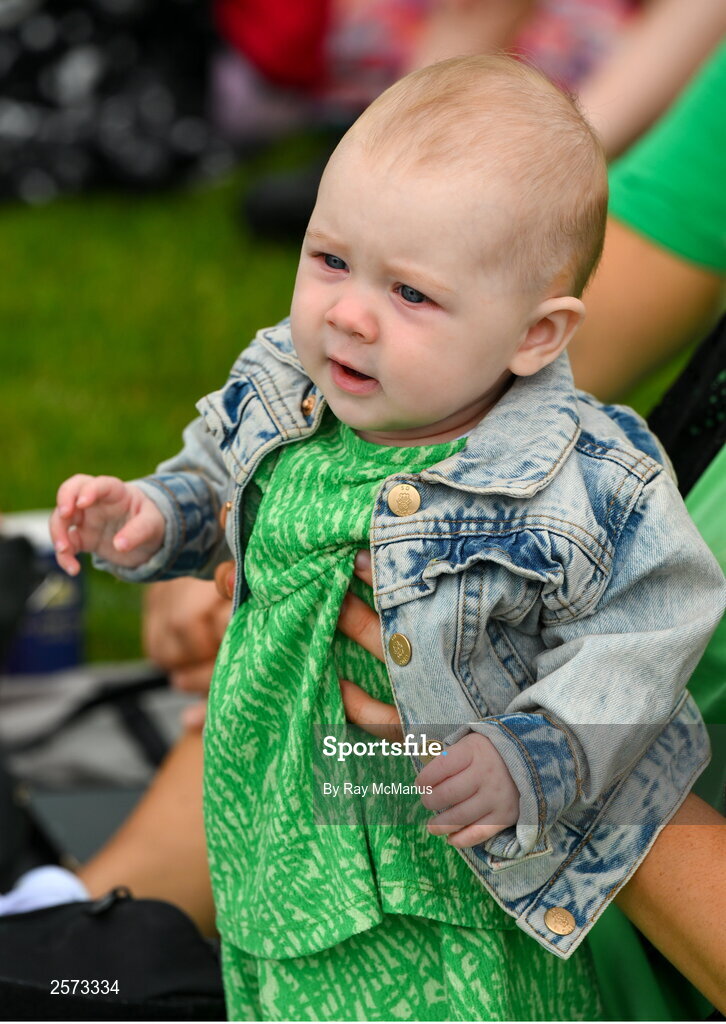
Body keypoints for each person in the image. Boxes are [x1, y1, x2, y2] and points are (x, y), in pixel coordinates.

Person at [49, 56, 724, 1020]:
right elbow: (216, 471)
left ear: (535, 337)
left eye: (411, 294)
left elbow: (654, 625)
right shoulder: (291, 380)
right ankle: (81, 950)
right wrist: (153, 519)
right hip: (280, 836)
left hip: (450, 889)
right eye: (330, 259)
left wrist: (537, 754)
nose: (349, 313)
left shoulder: (582, 479)